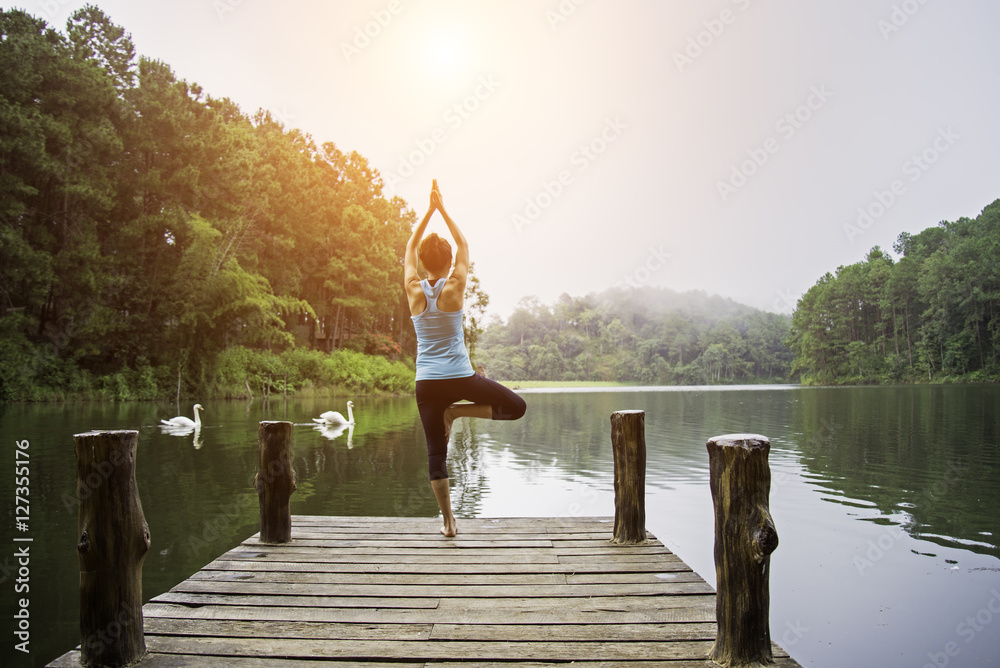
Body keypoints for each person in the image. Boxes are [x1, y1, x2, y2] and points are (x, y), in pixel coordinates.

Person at [404, 180, 527, 537]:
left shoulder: (413, 288)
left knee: (435, 455)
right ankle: (457, 411)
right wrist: (442, 208)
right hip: (460, 378)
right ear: (447, 262)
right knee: (516, 406)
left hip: (427, 383)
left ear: (423, 263)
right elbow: (463, 245)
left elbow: (410, 246)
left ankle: (448, 522)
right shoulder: (456, 286)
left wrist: (428, 211)